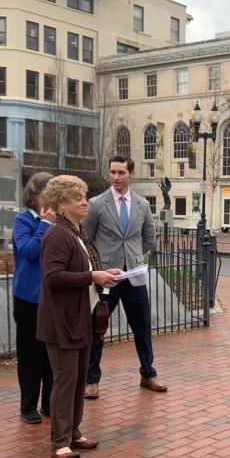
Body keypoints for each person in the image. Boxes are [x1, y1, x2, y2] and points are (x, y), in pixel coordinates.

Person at [37, 175, 120, 458]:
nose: (84, 201)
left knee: (78, 378)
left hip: (81, 318)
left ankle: (73, 432)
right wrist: (92, 276)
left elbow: (82, 270)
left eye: (84, 196)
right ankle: (59, 443)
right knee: (65, 380)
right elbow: (53, 276)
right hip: (62, 322)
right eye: (76, 198)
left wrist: (101, 274)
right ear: (61, 203)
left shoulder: (77, 232)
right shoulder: (58, 234)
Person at [83, 155, 167, 399]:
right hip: (106, 279)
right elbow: (86, 240)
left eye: (121, 173)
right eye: (113, 172)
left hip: (134, 278)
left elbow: (149, 237)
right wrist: (101, 268)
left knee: (142, 328)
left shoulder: (142, 205)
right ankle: (91, 379)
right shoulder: (97, 203)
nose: (116, 177)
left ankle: (148, 373)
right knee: (97, 328)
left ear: (131, 174)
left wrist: (132, 259)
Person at [12, 172, 55, 424]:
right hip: (28, 297)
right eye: (47, 194)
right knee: (30, 353)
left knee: (51, 353)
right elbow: (27, 251)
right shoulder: (24, 220)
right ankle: (28, 405)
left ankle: (50, 401)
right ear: (35, 195)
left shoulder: (58, 221)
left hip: (52, 297)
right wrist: (44, 226)